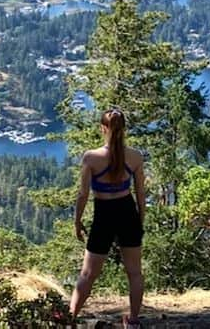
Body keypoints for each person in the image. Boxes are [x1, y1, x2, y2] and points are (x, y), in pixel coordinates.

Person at [69, 107, 145, 327]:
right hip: (127, 211)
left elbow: (83, 194)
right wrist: (140, 218)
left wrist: (77, 221)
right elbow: (140, 192)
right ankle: (133, 322)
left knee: (88, 273)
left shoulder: (92, 158)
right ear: (124, 130)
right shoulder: (135, 156)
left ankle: (69, 319)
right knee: (134, 272)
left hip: (104, 213)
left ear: (103, 128)